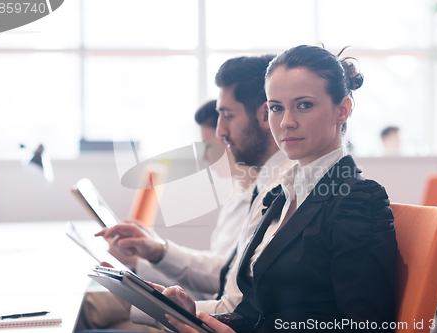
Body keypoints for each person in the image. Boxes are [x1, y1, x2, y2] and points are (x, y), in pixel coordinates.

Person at [164, 45, 398, 333]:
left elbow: (367, 327)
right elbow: (256, 310)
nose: (286, 122)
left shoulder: (358, 199)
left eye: (304, 105)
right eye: (276, 108)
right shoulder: (279, 195)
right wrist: (197, 318)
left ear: (343, 110)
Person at [92, 55, 293, 329]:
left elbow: (234, 305)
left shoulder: (284, 192)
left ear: (263, 115)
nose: (221, 132)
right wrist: (157, 252)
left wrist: (155, 303)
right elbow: (227, 274)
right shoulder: (263, 187)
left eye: (228, 116)